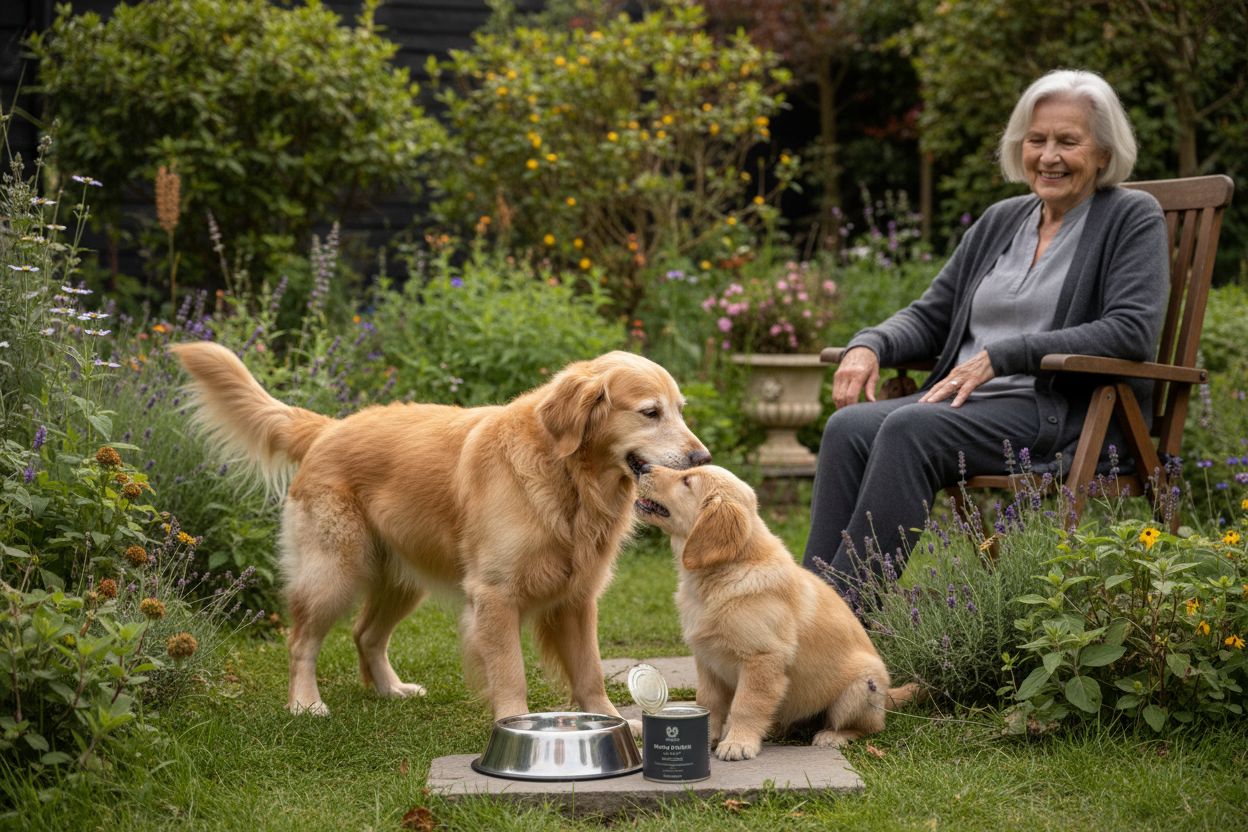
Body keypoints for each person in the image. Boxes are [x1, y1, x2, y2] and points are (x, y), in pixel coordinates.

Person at [803, 69, 1169, 602]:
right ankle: (806, 609)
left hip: (1058, 412)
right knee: (847, 427)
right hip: (968, 405)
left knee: (910, 428)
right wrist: (870, 343)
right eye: (1037, 140)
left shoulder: (1131, 217)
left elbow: (1130, 330)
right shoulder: (1002, 220)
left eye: (1068, 141)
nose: (1048, 156)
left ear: (1104, 154)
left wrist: (1002, 355)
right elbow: (931, 315)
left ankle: (837, 621)